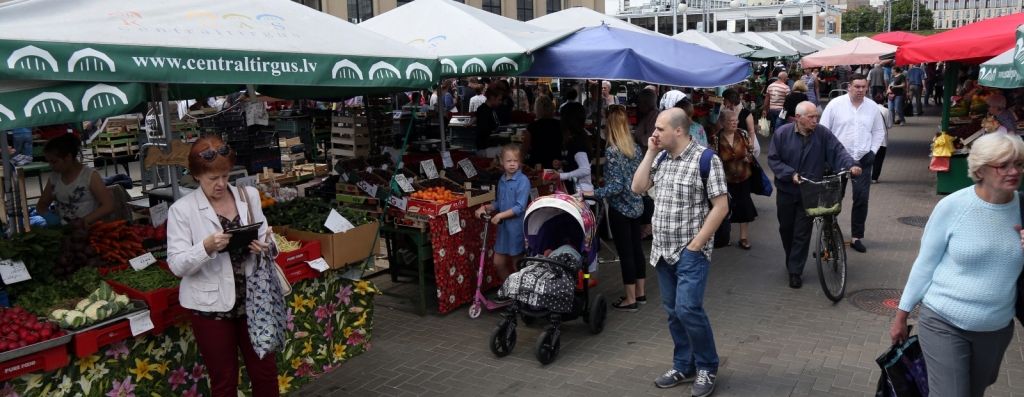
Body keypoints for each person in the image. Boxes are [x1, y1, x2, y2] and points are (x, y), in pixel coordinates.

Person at [889, 133, 1023, 397]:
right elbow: (925, 264)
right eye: (1004, 165)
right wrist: (901, 315)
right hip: (943, 321)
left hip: (995, 328)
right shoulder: (953, 206)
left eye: (1019, 163)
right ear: (981, 169)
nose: (1014, 171)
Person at [166, 136, 280, 397]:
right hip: (211, 309)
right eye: (212, 179)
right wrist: (205, 247)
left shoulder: (248, 195)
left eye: (225, 176)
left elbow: (267, 241)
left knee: (265, 373)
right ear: (196, 175)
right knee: (225, 381)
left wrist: (265, 246)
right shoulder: (182, 210)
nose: (220, 184)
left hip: (255, 300)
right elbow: (176, 264)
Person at [631, 108, 728, 397]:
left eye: (659, 129)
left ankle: (707, 365)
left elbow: (721, 207)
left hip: (690, 252)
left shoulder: (706, 159)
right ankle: (683, 364)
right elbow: (637, 187)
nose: (654, 133)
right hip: (661, 251)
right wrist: (649, 152)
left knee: (688, 309)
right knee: (674, 313)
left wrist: (696, 245)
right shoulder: (660, 157)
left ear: (679, 130)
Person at [767, 102, 861, 288]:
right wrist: (790, 174)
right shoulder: (782, 134)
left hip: (810, 191)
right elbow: (773, 159)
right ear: (798, 117)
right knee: (786, 229)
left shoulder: (823, 134)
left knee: (802, 232)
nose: (815, 120)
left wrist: (852, 164)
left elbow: (838, 151)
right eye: (811, 117)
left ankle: (795, 271)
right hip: (787, 190)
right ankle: (791, 259)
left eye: (816, 116)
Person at [820, 73, 886, 253]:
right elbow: (824, 131)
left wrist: (872, 152)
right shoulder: (835, 105)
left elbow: (879, 132)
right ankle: (830, 233)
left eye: (864, 87)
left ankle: (857, 237)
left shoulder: (872, 107)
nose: (861, 90)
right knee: (835, 199)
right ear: (848, 86)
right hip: (838, 159)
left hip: (863, 159)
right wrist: (827, 156)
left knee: (861, 198)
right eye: (857, 86)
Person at [593, 105, 646, 312]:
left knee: (625, 254)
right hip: (636, 205)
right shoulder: (635, 149)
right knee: (636, 251)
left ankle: (629, 299)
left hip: (621, 209)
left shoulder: (612, 152)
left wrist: (594, 193)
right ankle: (640, 294)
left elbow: (616, 187)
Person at [475, 144, 530, 284]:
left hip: (515, 229)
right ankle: (510, 289)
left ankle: (520, 296)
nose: (512, 164)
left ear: (520, 162)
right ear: (501, 162)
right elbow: (500, 203)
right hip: (503, 229)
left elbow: (520, 207)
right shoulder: (502, 180)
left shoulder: (523, 181)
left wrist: (500, 215)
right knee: (498, 262)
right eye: (508, 161)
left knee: (517, 264)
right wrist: (485, 207)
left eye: (515, 161)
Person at [36, 133, 115, 225]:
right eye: (48, 161)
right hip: (61, 231)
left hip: (87, 231)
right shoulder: (54, 176)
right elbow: (41, 204)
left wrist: (81, 222)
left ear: (68, 157)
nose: (50, 165)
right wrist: (48, 216)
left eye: (54, 161)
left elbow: (108, 206)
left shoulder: (89, 176)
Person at [708, 110, 758, 250]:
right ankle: (726, 236)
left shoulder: (742, 134)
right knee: (726, 208)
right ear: (723, 122)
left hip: (743, 176)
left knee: (744, 206)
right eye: (731, 121)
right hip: (725, 179)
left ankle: (743, 238)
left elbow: (751, 149)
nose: (735, 123)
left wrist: (749, 156)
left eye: (736, 120)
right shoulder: (715, 139)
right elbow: (712, 159)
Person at [552, 102, 594, 196]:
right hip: (575, 191)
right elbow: (576, 162)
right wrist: (563, 163)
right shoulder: (577, 138)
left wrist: (561, 176)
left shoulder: (578, 143)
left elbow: (585, 169)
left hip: (579, 193)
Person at [522, 96, 562, 169]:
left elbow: (524, 150)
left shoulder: (532, 126)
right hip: (555, 164)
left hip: (536, 165)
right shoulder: (560, 125)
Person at [871, 102, 893, 184]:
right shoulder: (886, 111)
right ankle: (874, 178)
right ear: (884, 101)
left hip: (869, 139)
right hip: (882, 140)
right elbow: (890, 125)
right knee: (878, 160)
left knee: (867, 159)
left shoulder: (868, 109)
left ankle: (865, 177)